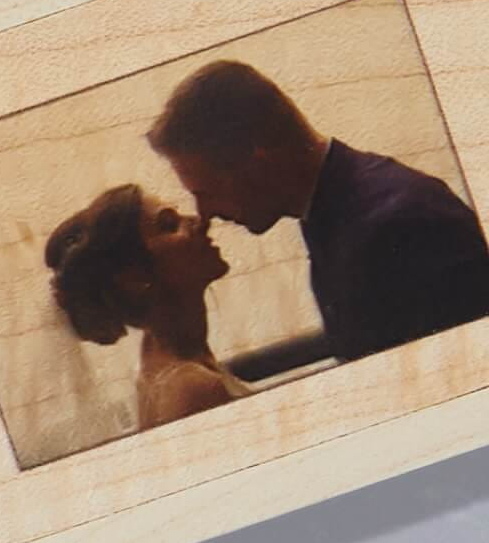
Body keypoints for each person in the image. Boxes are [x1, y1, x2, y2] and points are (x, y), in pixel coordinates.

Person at [146, 60, 489, 378]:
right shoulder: (341, 211)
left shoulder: (395, 224)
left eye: (208, 191)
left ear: (259, 156)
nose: (205, 214)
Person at [42, 184, 250, 430]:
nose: (198, 220)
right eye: (169, 225)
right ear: (135, 277)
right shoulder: (194, 388)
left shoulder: (159, 357)